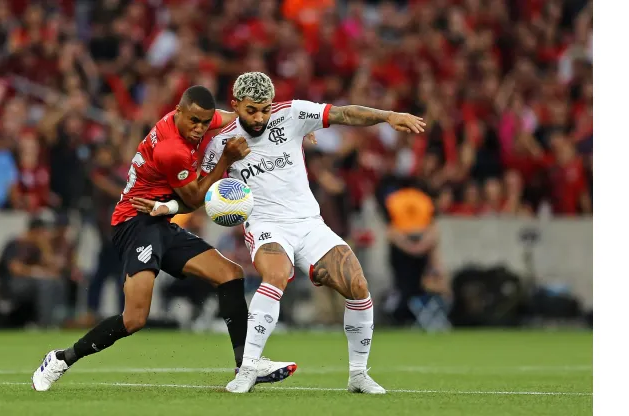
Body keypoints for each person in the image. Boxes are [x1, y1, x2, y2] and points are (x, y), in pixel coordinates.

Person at [132, 72, 426, 394]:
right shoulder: (221, 143)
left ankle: (358, 375)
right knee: (276, 275)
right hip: (266, 226)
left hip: (309, 223)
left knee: (357, 285)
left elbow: (343, 113)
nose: (259, 118)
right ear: (236, 105)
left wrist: (388, 116)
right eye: (251, 111)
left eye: (265, 109)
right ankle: (246, 370)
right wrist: (170, 209)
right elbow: (201, 194)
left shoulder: (292, 114)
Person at [32, 85, 297, 391]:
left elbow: (236, 119)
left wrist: (289, 134)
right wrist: (224, 159)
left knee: (230, 274)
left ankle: (245, 366)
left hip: (159, 221)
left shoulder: (197, 119)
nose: (199, 129)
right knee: (134, 319)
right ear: (179, 111)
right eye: (194, 121)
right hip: (135, 224)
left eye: (204, 122)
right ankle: (61, 359)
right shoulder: (172, 149)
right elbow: (196, 198)